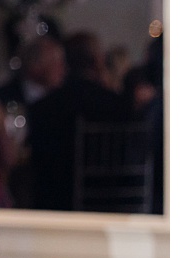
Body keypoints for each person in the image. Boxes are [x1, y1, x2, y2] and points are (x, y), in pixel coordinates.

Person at [27, 30, 131, 211]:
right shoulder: (118, 105)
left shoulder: (43, 107)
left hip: (53, 203)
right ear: (96, 60)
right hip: (110, 202)